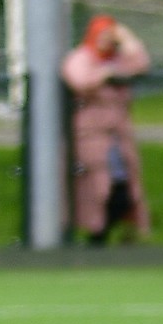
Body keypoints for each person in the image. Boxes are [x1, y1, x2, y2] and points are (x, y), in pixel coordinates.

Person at [63, 16, 152, 245]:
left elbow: (141, 64)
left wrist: (127, 38)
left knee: (124, 189)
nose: (106, 41)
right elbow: (80, 80)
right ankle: (94, 236)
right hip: (89, 137)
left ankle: (102, 236)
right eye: (101, 35)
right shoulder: (81, 57)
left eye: (110, 36)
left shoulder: (117, 59)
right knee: (96, 190)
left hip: (118, 137)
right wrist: (105, 74)